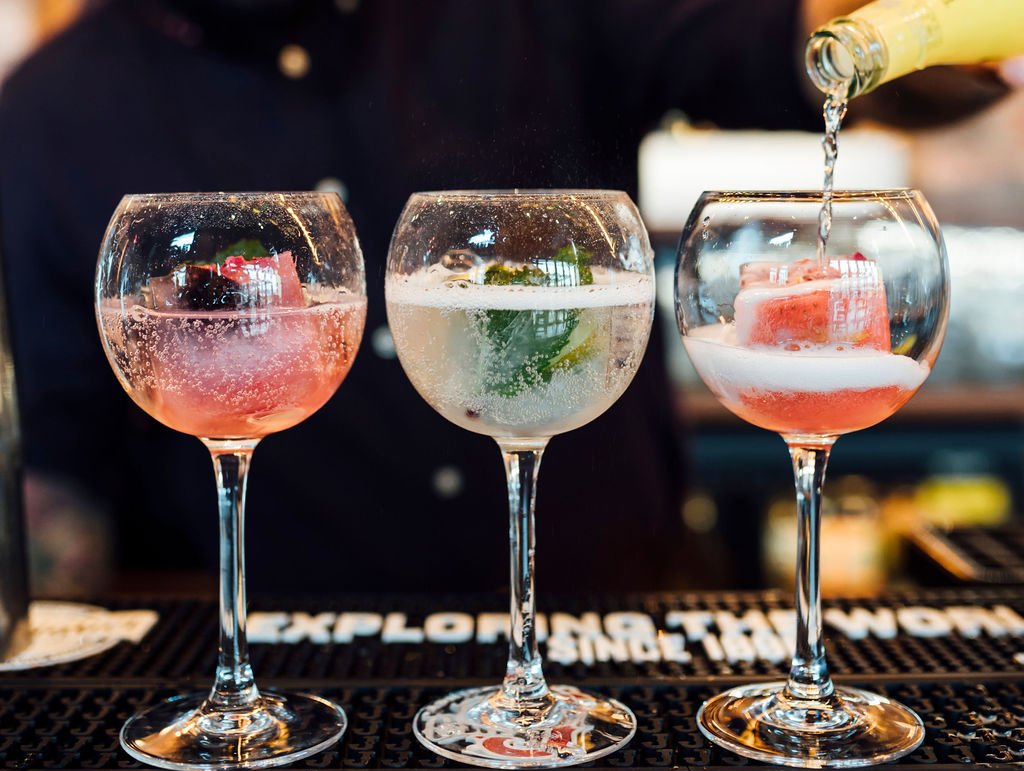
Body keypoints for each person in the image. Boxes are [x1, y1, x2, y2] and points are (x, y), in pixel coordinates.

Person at [0, 0, 1015, 596]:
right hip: (289, 668)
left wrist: (938, 31)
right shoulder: (48, 114)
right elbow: (56, 480)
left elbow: (785, 47)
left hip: (617, 629)